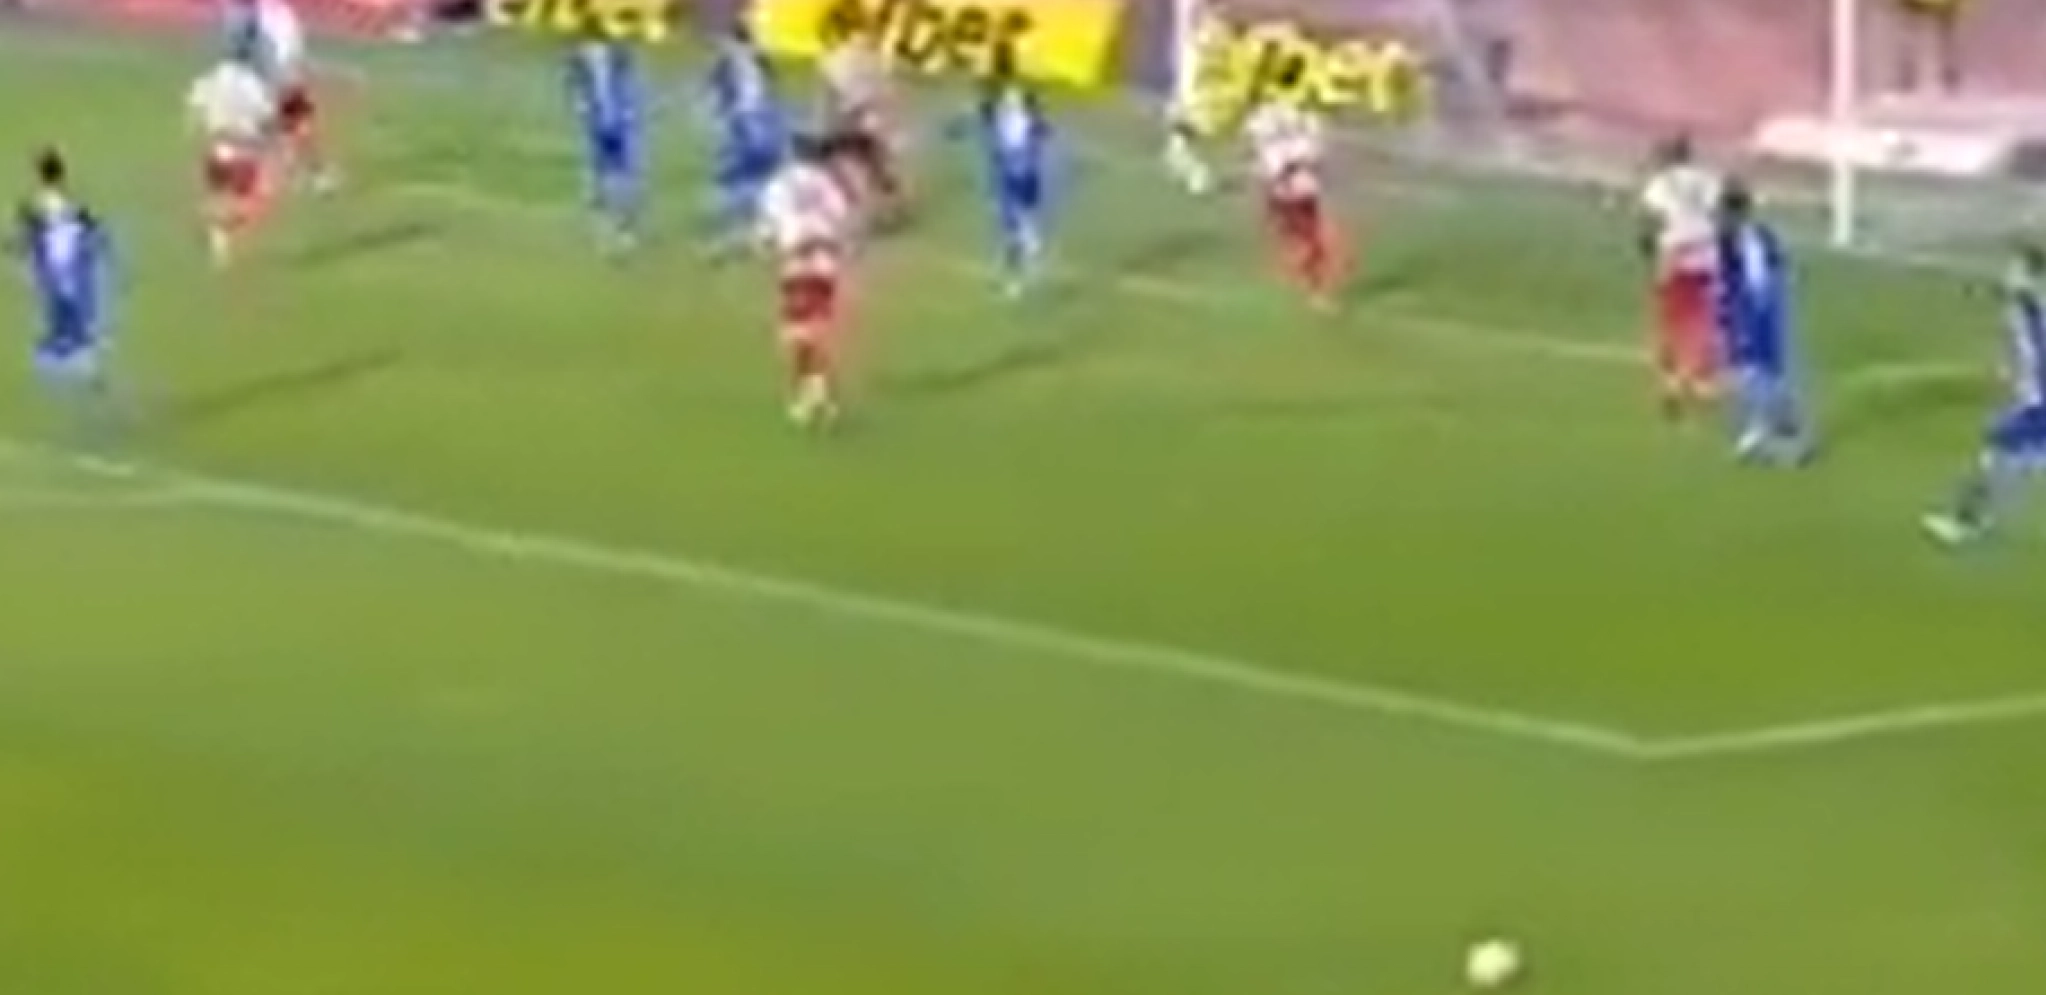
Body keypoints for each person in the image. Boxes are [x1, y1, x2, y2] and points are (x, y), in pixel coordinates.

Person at [1922, 245, 2046, 545]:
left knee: (1996, 454)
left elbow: (2027, 344)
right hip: (2031, 400)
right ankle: (1975, 518)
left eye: (2017, 269)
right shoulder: (2021, 306)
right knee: (2006, 459)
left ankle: (1967, 522)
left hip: (2036, 403)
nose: (2009, 274)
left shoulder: (2028, 307)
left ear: (2032, 276)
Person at [757, 135, 855, 428]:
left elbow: (768, 227)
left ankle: (813, 396)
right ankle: (816, 395)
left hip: (796, 262)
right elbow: (841, 219)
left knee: (799, 333)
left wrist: (764, 244)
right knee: (817, 328)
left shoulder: (779, 185)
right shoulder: (829, 184)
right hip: (826, 262)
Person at [15, 148, 116, 428]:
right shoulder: (72, 205)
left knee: (59, 329)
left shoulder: (33, 205)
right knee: (76, 328)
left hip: (52, 275)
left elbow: (27, 239)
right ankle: (91, 378)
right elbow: (95, 231)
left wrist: (25, 259)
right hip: (72, 273)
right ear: (61, 173)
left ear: (39, 174)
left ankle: (74, 379)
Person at [1715, 182, 1811, 464]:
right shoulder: (1748, 236)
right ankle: (1779, 427)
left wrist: (1745, 317)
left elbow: (1759, 281)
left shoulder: (1747, 240)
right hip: (1756, 309)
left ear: (1736, 212)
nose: (1721, 218)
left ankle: (1770, 433)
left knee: (1755, 371)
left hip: (1758, 311)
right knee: (1758, 371)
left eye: (1724, 212)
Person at [1242, 61, 1339, 310]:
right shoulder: (1299, 117)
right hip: (1292, 186)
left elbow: (1261, 147)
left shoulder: (1271, 116)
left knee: (1307, 239)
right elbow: (1310, 152)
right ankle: (1313, 288)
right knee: (1310, 240)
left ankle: (1310, 283)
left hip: (1293, 186)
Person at [1638, 135, 1723, 418]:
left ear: (1669, 157)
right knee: (1704, 320)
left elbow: (1651, 219)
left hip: (1675, 255)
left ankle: (1672, 385)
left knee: (1669, 321)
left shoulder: (1660, 182)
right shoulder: (1707, 179)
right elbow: (1717, 212)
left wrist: (1649, 245)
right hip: (1707, 254)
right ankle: (1704, 384)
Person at [969, 50, 1052, 297]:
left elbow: (986, 113)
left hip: (1013, 166)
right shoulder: (1020, 98)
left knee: (1011, 225)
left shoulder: (1001, 99)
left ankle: (1025, 252)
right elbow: (1042, 129)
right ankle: (1020, 272)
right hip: (1023, 166)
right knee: (1016, 222)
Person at [186, 54, 276, 266]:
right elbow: (266, 116)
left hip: (217, 149)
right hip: (243, 151)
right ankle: (221, 230)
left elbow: (194, 106)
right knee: (260, 197)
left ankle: (216, 231)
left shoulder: (209, 78)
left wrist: (199, 128)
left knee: (218, 194)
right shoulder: (252, 83)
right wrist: (268, 139)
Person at [704, 24, 788, 249]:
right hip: (761, 123)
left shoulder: (732, 61)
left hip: (748, 124)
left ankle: (742, 229)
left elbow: (717, 92)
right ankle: (761, 227)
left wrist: (720, 113)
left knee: (739, 177)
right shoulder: (757, 58)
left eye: (726, 41)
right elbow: (772, 90)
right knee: (759, 177)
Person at [565, 29, 644, 254]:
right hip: (600, 121)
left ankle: (623, 228)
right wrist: (580, 106)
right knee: (604, 174)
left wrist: (630, 111)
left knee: (620, 173)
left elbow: (628, 82)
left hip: (616, 122)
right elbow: (573, 83)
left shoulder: (617, 53)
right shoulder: (582, 56)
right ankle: (608, 230)